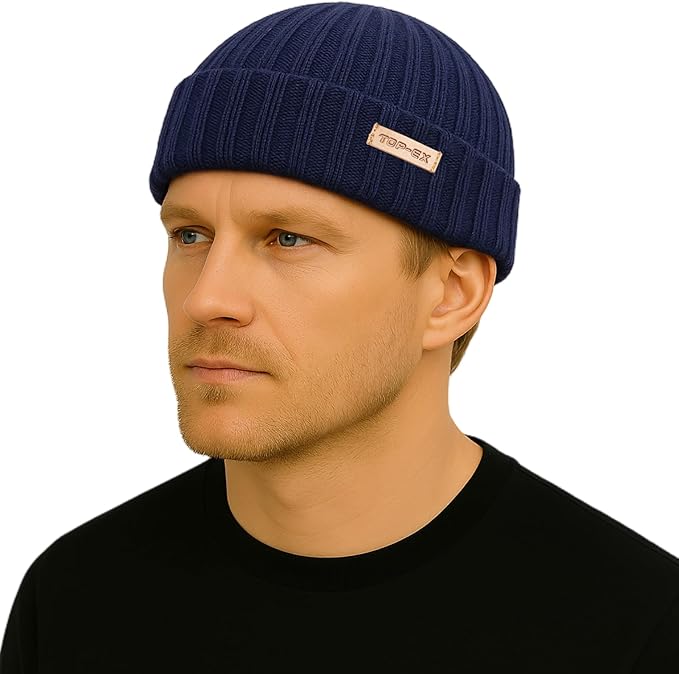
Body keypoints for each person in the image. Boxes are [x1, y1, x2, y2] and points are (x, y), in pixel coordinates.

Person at [1, 2, 677, 671]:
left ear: (452, 293)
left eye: (288, 238)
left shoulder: (638, 630)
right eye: (191, 235)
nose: (206, 298)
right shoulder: (74, 601)